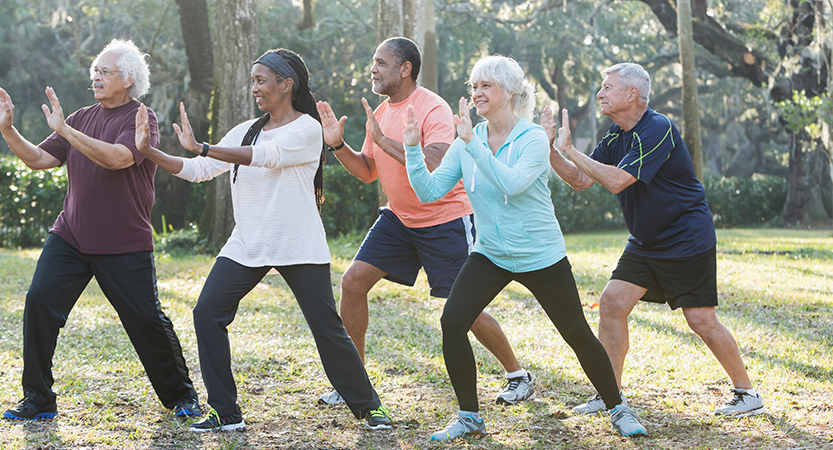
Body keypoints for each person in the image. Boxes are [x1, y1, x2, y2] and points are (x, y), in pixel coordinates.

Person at [133, 48, 393, 432]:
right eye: (252, 80)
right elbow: (200, 169)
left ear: (286, 84)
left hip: (297, 242)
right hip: (248, 243)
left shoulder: (307, 129)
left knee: (327, 327)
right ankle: (225, 411)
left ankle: (369, 407)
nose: (254, 87)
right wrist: (151, 152)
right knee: (207, 313)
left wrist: (203, 145)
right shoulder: (245, 129)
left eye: (261, 80)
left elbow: (265, 157)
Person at [403, 55, 647, 441]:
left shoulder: (532, 137)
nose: (477, 93)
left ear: (511, 93)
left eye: (486, 85)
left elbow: (511, 184)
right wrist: (412, 149)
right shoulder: (469, 138)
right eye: (474, 86)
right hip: (491, 254)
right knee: (452, 322)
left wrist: (472, 144)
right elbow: (429, 191)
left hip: (541, 256)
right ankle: (469, 415)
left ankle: (618, 407)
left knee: (577, 334)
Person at [315, 37, 533, 407]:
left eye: (381, 63)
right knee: (352, 282)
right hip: (399, 219)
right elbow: (368, 172)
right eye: (374, 62)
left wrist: (383, 141)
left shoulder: (431, 106)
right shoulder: (381, 114)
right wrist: (337, 146)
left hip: (444, 219)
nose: (373, 69)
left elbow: (434, 161)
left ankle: (517, 375)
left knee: (466, 308)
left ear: (405, 69)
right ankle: (353, 382)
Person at [0, 39, 200, 420]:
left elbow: (119, 159)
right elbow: (39, 159)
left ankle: (182, 396)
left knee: (145, 320)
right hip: (71, 236)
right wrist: (8, 129)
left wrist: (67, 133)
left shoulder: (142, 118)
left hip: (123, 241)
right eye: (95, 71)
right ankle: (38, 399)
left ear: (129, 80)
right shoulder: (79, 117)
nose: (96, 77)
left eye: (105, 71)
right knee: (39, 302)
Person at [545, 62, 765, 418]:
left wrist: (570, 150)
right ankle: (609, 394)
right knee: (613, 303)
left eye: (607, 87)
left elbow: (617, 181)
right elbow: (581, 180)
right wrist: (551, 149)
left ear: (632, 94)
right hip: (646, 241)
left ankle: (747, 393)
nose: (599, 94)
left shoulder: (657, 127)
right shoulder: (616, 135)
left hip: (685, 237)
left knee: (701, 320)